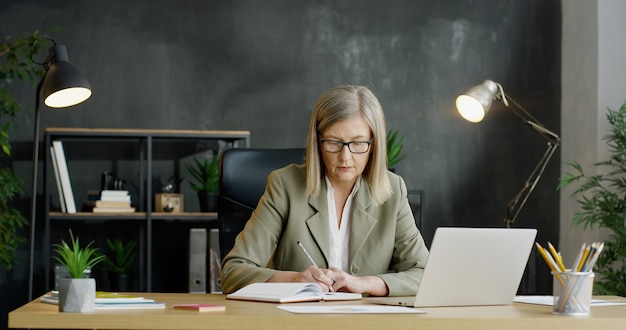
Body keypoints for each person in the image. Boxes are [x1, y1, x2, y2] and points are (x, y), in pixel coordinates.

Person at [221, 85, 429, 296]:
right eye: (333, 142)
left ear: (374, 144)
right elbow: (233, 272)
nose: (345, 157)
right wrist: (295, 280)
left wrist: (365, 283)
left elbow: (424, 274)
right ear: (317, 141)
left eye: (358, 143)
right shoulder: (285, 185)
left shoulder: (393, 190)